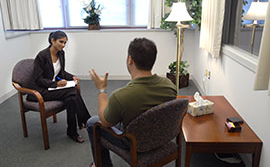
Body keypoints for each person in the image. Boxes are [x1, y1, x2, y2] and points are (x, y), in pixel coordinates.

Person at [86, 38, 177, 167]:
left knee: (92, 123)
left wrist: (101, 90)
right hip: (161, 137)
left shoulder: (121, 96)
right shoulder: (169, 86)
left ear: (130, 60)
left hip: (134, 142)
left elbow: (105, 122)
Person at [27, 31, 91, 143]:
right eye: (61, 42)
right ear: (52, 40)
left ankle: (72, 132)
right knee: (73, 90)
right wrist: (56, 84)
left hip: (54, 89)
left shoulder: (61, 53)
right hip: (41, 91)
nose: (63, 45)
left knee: (71, 99)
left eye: (65, 43)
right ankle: (86, 120)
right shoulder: (42, 56)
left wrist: (72, 77)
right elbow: (38, 79)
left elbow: (61, 73)